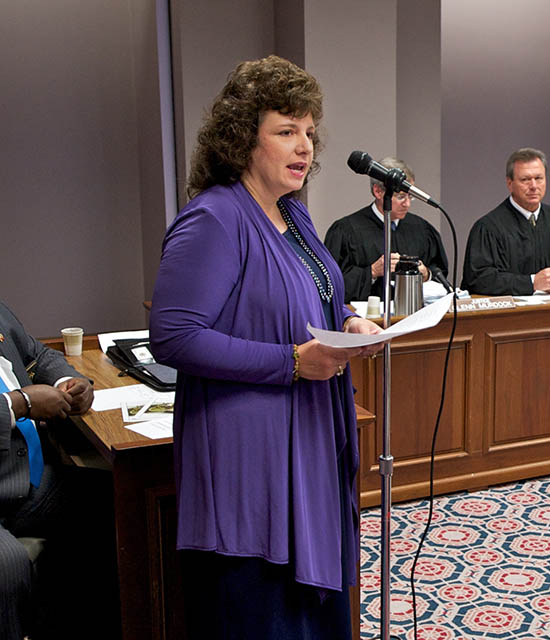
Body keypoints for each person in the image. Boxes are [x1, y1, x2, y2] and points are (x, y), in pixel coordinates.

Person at [149, 56, 381, 640]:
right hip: (248, 456)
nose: (303, 146)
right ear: (242, 139)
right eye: (285, 131)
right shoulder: (215, 218)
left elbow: (320, 290)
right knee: (263, 615)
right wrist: (290, 363)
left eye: (308, 132)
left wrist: (350, 320)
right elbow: (173, 337)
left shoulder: (293, 215)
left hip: (307, 436)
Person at [0, 301, 116, 640]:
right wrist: (21, 404)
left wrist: (72, 382)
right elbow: (21, 400)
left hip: (29, 481)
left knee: (117, 503)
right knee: (6, 567)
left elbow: (40, 356)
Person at [461, 148, 550, 295]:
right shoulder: (488, 227)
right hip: (511, 314)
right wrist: (532, 282)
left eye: (539, 178)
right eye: (525, 180)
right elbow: (479, 279)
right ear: (510, 183)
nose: (534, 186)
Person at [324, 156, 448, 303]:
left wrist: (426, 273)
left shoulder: (422, 229)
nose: (407, 204)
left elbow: (440, 272)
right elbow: (330, 284)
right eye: (401, 196)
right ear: (378, 192)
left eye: (410, 196)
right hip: (366, 321)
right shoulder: (345, 231)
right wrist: (372, 272)